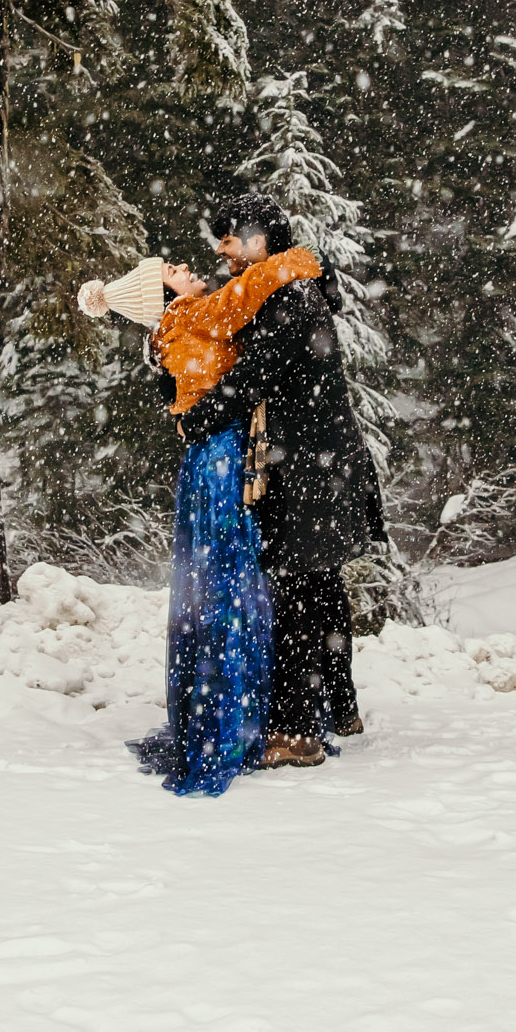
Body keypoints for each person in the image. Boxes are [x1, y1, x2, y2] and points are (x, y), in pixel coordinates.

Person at [77, 243, 321, 794]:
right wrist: (291, 263)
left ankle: (214, 713)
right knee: (229, 585)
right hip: (220, 459)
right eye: (172, 271)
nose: (185, 268)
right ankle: (231, 721)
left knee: (213, 584)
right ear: (164, 294)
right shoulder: (188, 316)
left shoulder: (169, 330)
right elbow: (241, 298)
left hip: (204, 461)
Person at [184, 194, 386, 769]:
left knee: (295, 588)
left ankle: (297, 731)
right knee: (319, 583)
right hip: (322, 464)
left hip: (309, 471)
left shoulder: (286, 297)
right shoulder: (289, 289)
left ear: (259, 240)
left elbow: (250, 377)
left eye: (229, 237)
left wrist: (193, 417)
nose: (221, 249)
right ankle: (337, 705)